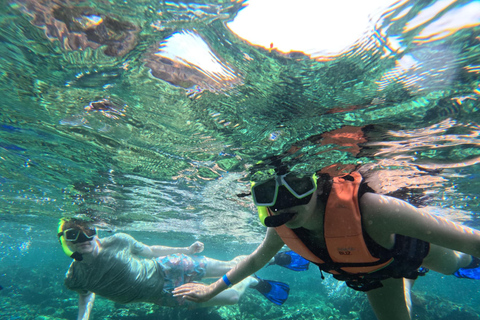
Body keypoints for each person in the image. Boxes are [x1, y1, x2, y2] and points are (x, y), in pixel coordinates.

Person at [173, 170, 480, 320]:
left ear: (319, 185)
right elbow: (255, 261)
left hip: (410, 250)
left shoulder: (374, 209)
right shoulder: (280, 228)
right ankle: (407, 281)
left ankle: (462, 267)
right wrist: (211, 289)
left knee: (453, 264)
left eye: (298, 184)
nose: (285, 202)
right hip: (375, 276)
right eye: (268, 192)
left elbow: (470, 239)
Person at [57, 218, 290, 320]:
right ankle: (251, 281)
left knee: (229, 267)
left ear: (96, 231)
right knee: (231, 298)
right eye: (73, 235)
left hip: (169, 266)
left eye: (89, 231)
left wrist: (186, 250)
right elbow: (85, 294)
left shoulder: (118, 240)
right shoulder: (74, 276)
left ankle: (271, 258)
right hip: (161, 295)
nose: (83, 238)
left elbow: (149, 250)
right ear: (66, 241)